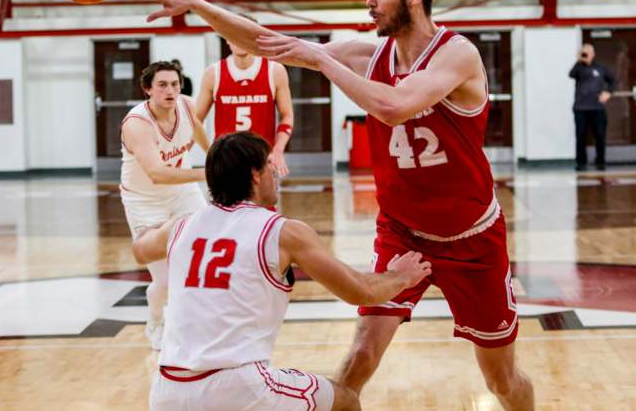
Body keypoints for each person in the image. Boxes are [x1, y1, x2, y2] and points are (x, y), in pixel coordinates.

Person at [127, 0, 534, 410]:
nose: (370, 1)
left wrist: (321, 59)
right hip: (403, 231)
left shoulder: (456, 54)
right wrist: (199, 6)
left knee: (501, 380)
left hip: (472, 238)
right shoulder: (368, 54)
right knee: (360, 355)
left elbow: (394, 106)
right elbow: (266, 43)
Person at [132, 131, 431, 411]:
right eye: (269, 166)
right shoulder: (284, 232)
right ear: (255, 174)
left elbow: (141, 249)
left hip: (167, 390)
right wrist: (401, 276)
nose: (275, 173)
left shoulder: (181, 227)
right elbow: (361, 291)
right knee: (346, 401)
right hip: (238, 386)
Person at [120, 60, 210, 350]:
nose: (170, 90)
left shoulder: (186, 105)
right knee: (164, 279)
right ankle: (155, 320)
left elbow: (199, 132)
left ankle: (197, 322)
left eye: (174, 83)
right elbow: (157, 174)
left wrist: (216, 156)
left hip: (182, 192)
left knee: (204, 255)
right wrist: (208, 173)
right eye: (162, 84)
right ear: (148, 90)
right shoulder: (137, 124)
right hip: (144, 201)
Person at [195, 39, 294, 177]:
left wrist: (278, 150)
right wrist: (209, 152)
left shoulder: (274, 71)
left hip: (262, 159)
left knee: (262, 199)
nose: (239, 40)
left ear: (255, 39)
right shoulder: (213, 73)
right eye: (234, 35)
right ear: (227, 39)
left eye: (243, 35)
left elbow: (287, 116)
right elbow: (194, 120)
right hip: (226, 161)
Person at [568, 43, 616, 171]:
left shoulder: (601, 68)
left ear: (593, 54)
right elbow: (571, 74)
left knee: (600, 135)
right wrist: (579, 60)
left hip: (597, 108)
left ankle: (600, 160)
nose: (585, 55)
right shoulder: (578, 68)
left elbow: (613, 80)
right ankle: (581, 162)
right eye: (583, 52)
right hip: (580, 108)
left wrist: (609, 93)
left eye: (587, 52)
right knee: (580, 136)